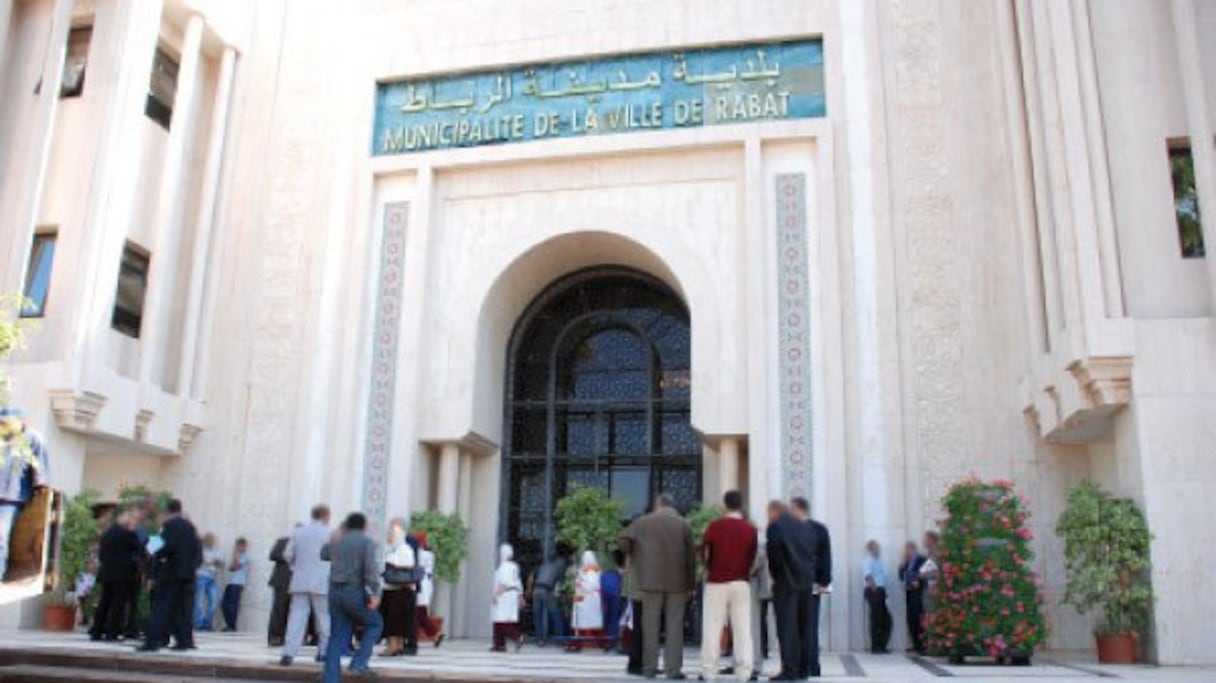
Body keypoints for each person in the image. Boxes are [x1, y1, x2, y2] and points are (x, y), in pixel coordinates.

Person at [619, 492, 695, 680]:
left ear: (658, 504)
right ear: (673, 505)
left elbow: (622, 540)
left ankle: (649, 668)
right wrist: (690, 583)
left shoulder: (643, 522)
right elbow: (691, 557)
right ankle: (673, 670)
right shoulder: (683, 524)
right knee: (674, 628)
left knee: (650, 626)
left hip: (649, 581)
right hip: (677, 583)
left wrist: (635, 553)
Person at [700, 490, 758, 682]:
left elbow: (705, 554)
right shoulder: (750, 529)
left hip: (716, 582)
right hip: (741, 582)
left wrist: (711, 569)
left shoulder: (714, 526)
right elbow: (753, 557)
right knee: (742, 629)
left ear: (725, 505)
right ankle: (744, 672)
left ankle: (709, 672)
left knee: (712, 628)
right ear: (741, 505)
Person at [321, 512, 383, 682]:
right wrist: (375, 593)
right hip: (353, 592)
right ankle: (359, 662)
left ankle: (331, 679)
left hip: (334, 593)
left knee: (336, 636)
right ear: (363, 527)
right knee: (375, 623)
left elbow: (323, 554)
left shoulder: (338, 541)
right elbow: (371, 570)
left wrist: (335, 536)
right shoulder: (365, 542)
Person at [138, 499, 202, 653]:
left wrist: (149, 545)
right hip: (187, 574)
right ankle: (183, 641)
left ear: (167, 512)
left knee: (161, 607)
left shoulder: (170, 526)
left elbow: (166, 547)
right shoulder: (189, 526)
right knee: (180, 609)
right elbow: (196, 549)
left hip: (171, 573)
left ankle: (151, 642)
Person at [765, 500, 816, 680]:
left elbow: (774, 555)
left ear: (774, 511)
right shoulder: (806, 527)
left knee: (787, 629)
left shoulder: (776, 526)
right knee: (804, 628)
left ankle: (790, 670)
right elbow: (813, 554)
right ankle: (803, 670)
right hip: (806, 584)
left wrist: (777, 575)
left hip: (786, 584)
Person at [280, 505, 332, 667]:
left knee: (296, 616)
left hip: (300, 579)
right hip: (322, 580)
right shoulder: (330, 533)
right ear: (325, 516)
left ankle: (289, 653)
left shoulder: (298, 532)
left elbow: (287, 554)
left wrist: (295, 566)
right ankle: (324, 652)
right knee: (323, 617)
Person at [0, 408, 49, 581]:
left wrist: (41, 490)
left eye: (6, 422)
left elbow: (40, 468)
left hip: (13, 496)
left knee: (1, 534)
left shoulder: (33, 438)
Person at [792, 497, 832, 678]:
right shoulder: (819, 529)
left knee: (800, 627)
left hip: (796, 585)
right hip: (812, 584)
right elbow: (826, 558)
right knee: (809, 627)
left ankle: (804, 666)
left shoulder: (791, 530)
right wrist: (824, 581)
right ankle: (811, 666)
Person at [90, 510, 141, 641]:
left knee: (104, 602)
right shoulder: (126, 533)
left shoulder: (108, 532)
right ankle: (111, 634)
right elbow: (140, 548)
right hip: (121, 575)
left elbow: (101, 553)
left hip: (106, 572)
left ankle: (96, 631)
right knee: (118, 604)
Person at [379, 518, 419, 657]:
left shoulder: (404, 549)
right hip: (392, 590)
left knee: (396, 622)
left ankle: (395, 646)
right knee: (393, 621)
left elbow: (404, 566)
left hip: (399, 590)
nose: (389, 537)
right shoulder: (393, 549)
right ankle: (395, 645)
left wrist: (390, 560)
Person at [529, 548, 567, 646]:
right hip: (547, 590)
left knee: (538, 615)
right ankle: (559, 639)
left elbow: (531, 577)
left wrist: (528, 590)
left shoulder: (543, 566)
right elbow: (561, 582)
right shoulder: (559, 565)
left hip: (536, 590)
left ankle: (540, 640)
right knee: (555, 614)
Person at [567, 550, 604, 651]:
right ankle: (577, 644)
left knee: (586, 623)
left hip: (589, 600)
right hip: (584, 601)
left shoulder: (592, 572)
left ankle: (601, 644)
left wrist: (580, 582)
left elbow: (590, 586)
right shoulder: (586, 571)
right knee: (581, 623)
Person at [490, 543, 524, 652]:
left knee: (501, 620)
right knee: (501, 619)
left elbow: (503, 583)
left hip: (504, 594)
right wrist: (520, 596)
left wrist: (496, 595)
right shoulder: (514, 566)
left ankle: (517, 636)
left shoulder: (504, 566)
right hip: (513, 594)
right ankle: (499, 644)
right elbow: (517, 582)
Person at [413, 531, 444, 646]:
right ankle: (434, 634)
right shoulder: (429, 554)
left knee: (420, 614)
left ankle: (435, 633)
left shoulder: (420, 554)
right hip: (426, 584)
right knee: (419, 614)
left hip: (421, 585)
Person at [861, 539, 892, 654]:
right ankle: (876, 646)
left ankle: (881, 645)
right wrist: (875, 590)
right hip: (875, 591)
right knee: (877, 619)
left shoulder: (877, 561)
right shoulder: (869, 560)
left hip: (880, 591)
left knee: (884, 620)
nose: (878, 549)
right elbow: (868, 575)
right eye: (875, 547)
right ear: (870, 548)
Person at [898, 541, 928, 654]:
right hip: (909, 592)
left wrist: (916, 579)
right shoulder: (906, 562)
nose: (908, 551)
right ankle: (915, 643)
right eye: (906, 549)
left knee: (919, 617)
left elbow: (926, 573)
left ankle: (922, 644)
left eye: (910, 549)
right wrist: (903, 565)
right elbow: (901, 575)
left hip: (918, 591)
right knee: (911, 619)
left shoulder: (921, 559)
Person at [267, 531, 294, 647]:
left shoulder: (304, 543)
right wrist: (288, 556)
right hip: (281, 581)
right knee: (278, 610)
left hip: (296, 582)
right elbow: (272, 555)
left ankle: (285, 637)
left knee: (291, 611)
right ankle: (274, 636)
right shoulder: (283, 541)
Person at [194, 533, 223, 631]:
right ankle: (198, 624)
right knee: (199, 601)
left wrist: (209, 562)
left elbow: (220, 562)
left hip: (212, 577)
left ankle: (207, 623)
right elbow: (199, 561)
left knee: (213, 601)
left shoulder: (215, 551)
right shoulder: (199, 549)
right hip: (200, 576)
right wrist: (210, 562)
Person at [220, 537, 250, 631]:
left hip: (238, 583)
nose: (237, 547)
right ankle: (229, 624)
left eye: (240, 545)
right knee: (224, 604)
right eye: (237, 545)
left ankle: (232, 625)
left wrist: (235, 555)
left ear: (244, 546)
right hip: (230, 582)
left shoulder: (246, 556)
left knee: (233, 604)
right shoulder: (236, 556)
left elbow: (235, 567)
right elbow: (230, 568)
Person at [601, 550, 624, 650]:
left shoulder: (605, 570)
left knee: (607, 616)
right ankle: (612, 641)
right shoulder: (622, 571)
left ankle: (607, 640)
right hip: (617, 594)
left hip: (606, 593)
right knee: (615, 617)